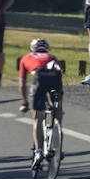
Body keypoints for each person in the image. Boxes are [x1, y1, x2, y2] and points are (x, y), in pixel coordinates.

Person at [19, 38, 65, 170]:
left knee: (38, 117)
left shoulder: (26, 57)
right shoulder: (52, 56)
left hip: (39, 77)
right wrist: (54, 103)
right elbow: (58, 73)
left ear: (32, 49)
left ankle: (38, 151)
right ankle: (58, 137)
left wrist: (25, 102)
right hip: (55, 77)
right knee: (57, 110)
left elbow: (22, 84)